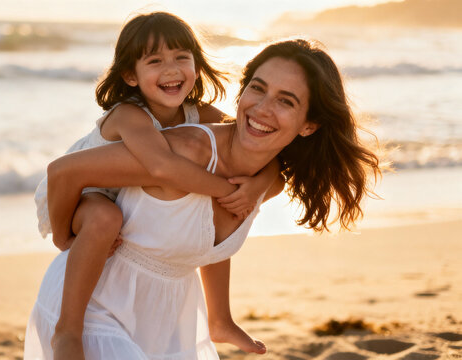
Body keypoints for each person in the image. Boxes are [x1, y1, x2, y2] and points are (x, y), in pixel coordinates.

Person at [25, 38, 381, 359]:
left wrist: (220, 317)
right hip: (91, 307)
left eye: (286, 101)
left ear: (309, 125)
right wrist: (62, 237)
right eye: (257, 89)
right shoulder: (184, 152)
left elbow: (200, 233)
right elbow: (64, 172)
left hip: (170, 321)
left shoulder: (266, 179)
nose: (261, 109)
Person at [33, 12, 280, 359]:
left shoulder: (199, 113)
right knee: (105, 220)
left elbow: (250, 143)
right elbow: (162, 167)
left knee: (205, 207)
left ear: (196, 64)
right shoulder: (129, 115)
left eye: (182, 57)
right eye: (155, 61)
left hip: (134, 195)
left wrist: (255, 186)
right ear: (130, 75)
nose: (171, 69)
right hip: (87, 194)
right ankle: (68, 330)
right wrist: (63, 236)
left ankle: (220, 319)